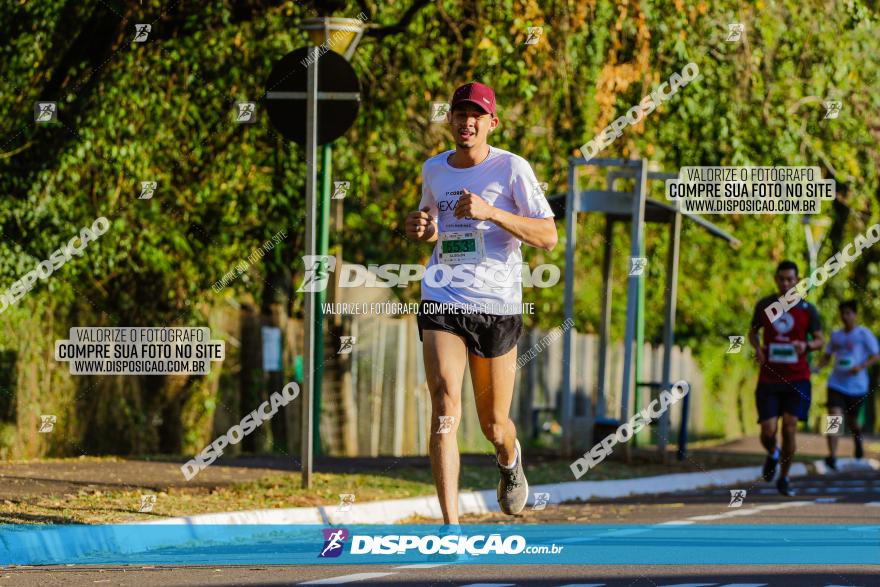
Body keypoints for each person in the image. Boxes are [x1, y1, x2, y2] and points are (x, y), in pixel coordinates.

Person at [404, 81, 557, 524]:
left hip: (497, 305)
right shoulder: (433, 169)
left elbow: (548, 236)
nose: (466, 122)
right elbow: (434, 225)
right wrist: (421, 228)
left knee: (493, 425)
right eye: (459, 113)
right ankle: (450, 526)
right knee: (445, 404)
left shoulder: (512, 169)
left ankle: (509, 461)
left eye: (476, 115)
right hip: (442, 296)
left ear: (492, 123)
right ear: (449, 119)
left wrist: (491, 212)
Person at [749, 260, 824, 496]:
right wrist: (758, 349)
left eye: (790, 279)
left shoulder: (807, 310)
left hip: (798, 379)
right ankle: (773, 453)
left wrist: (807, 345)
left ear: (797, 281)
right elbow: (752, 333)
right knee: (768, 431)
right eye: (781, 279)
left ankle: (785, 477)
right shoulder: (765, 306)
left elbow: (821, 340)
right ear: (776, 279)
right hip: (769, 380)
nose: (785, 283)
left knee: (790, 428)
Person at [814, 299, 879, 469]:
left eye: (848, 313)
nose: (845, 316)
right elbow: (827, 355)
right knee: (834, 416)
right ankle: (832, 455)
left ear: (855, 315)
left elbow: (876, 355)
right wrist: (817, 368)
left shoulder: (864, 334)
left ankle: (857, 438)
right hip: (836, 384)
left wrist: (861, 366)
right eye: (842, 313)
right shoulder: (836, 335)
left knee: (853, 422)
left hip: (857, 386)